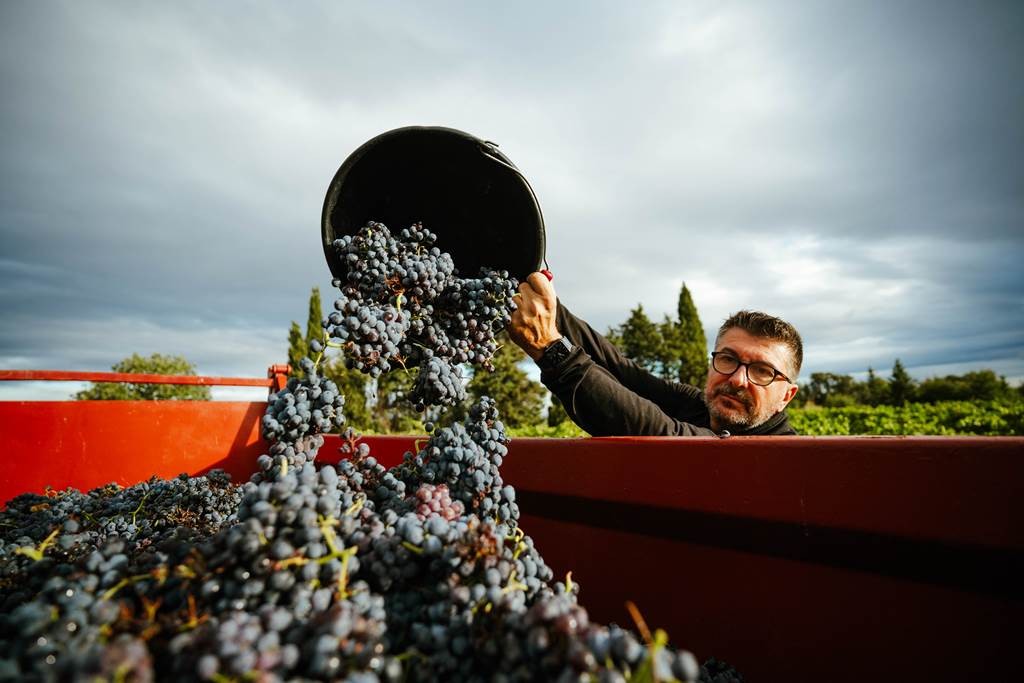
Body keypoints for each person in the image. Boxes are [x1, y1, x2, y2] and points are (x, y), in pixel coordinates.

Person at [507, 272, 802, 436]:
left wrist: (550, 348)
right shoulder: (699, 405)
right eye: (728, 359)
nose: (738, 379)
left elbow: (657, 430)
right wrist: (548, 305)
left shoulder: (776, 453)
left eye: (762, 371)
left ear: (787, 396)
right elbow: (623, 371)